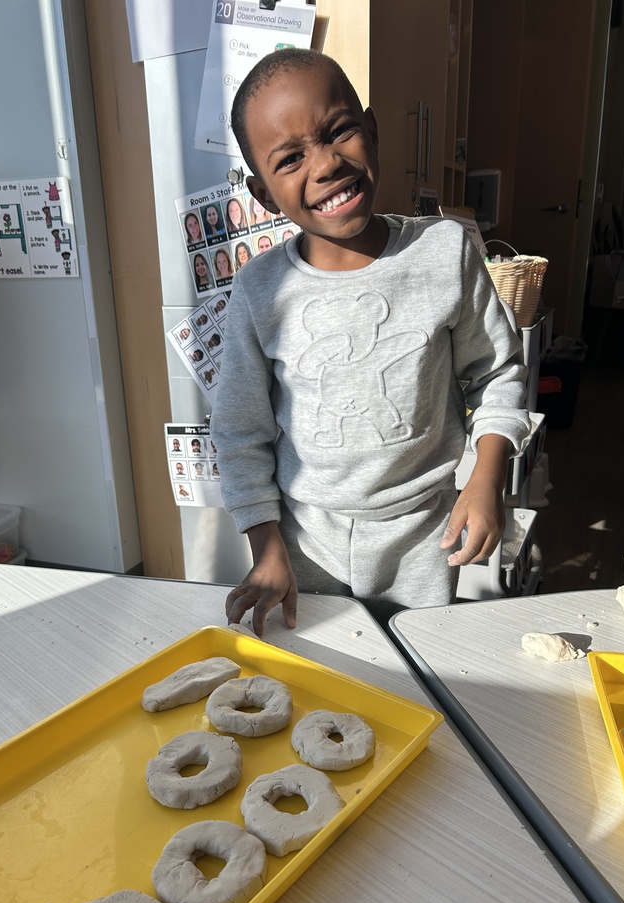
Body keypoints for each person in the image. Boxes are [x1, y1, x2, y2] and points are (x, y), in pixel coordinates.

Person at [209, 48, 529, 636]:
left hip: (423, 537)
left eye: (340, 132)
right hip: (303, 543)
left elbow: (498, 375)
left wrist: (486, 479)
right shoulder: (259, 291)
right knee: (319, 682)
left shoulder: (445, 254)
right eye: (290, 159)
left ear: (373, 131)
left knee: (417, 679)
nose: (326, 164)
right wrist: (265, 545)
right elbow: (239, 432)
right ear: (261, 195)